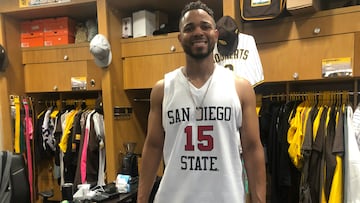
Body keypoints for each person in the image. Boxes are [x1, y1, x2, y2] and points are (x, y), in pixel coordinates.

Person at [137, 1, 266, 202]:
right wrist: (142, 199)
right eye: (189, 28)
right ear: (180, 38)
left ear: (215, 34)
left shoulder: (240, 88)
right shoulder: (163, 90)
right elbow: (153, 146)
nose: (198, 32)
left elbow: (252, 148)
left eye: (205, 26)